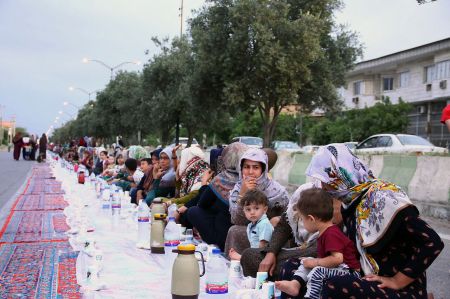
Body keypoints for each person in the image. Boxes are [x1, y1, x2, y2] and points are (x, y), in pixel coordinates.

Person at [305, 144, 444, 298]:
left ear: (338, 175)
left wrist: (397, 281)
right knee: (300, 270)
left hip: (403, 290)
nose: (322, 187)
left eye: (325, 180)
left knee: (333, 285)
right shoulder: (350, 203)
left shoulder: (385, 198)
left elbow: (432, 242)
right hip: (366, 279)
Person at [275, 188, 360, 299]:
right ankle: (295, 284)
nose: (303, 223)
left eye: (302, 219)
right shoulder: (324, 232)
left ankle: (311, 296)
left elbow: (338, 259)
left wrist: (316, 262)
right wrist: (310, 261)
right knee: (306, 261)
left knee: (317, 270)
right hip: (337, 268)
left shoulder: (331, 234)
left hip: (349, 271)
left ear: (311, 219)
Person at [225, 148, 289, 255]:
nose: (250, 172)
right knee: (234, 230)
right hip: (249, 231)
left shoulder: (277, 191)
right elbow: (237, 220)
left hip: (271, 234)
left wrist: (276, 220)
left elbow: (289, 220)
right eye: (246, 167)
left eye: (255, 167)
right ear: (241, 169)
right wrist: (243, 194)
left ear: (263, 170)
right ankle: (236, 266)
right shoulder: (238, 189)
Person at [186, 142, 249, 250]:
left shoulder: (221, 179)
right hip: (245, 232)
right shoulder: (254, 180)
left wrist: (204, 185)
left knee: (193, 211)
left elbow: (202, 204)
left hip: (223, 235)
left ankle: (212, 241)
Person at [229, 189, 273, 261]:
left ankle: (241, 258)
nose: (252, 212)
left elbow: (263, 248)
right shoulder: (251, 225)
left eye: (256, 208)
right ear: (244, 211)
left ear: (265, 210)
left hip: (263, 258)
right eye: (248, 209)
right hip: (256, 254)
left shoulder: (264, 224)